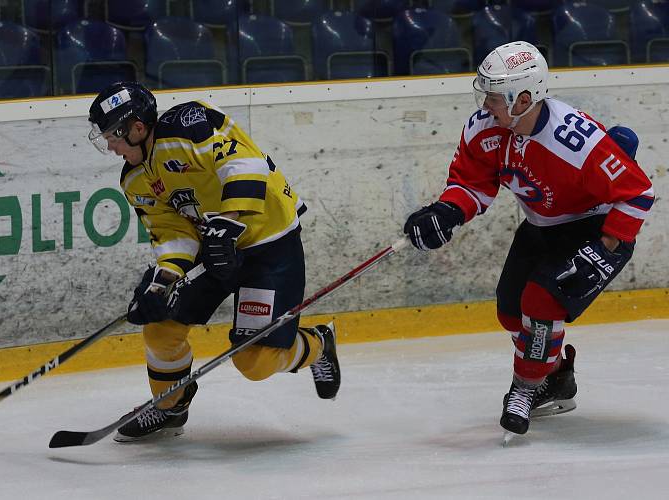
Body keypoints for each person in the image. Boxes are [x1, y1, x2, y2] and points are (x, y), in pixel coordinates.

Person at [403, 41, 654, 436]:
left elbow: (637, 193)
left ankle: (526, 387)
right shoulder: (483, 128)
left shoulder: (575, 139)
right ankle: (556, 377)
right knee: (510, 310)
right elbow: (471, 184)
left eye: (493, 97)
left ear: (524, 97)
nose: (486, 105)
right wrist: (447, 210)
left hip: (595, 229)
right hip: (542, 225)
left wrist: (603, 249)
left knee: (540, 304)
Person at [87, 81, 341, 442]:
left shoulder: (190, 126)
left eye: (113, 135)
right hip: (213, 249)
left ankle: (317, 344)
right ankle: (170, 407)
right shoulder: (134, 180)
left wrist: (226, 225)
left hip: (268, 244)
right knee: (161, 325)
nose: (110, 146)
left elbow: (245, 164)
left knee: (255, 362)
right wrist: (162, 283)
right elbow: (173, 233)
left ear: (137, 128)